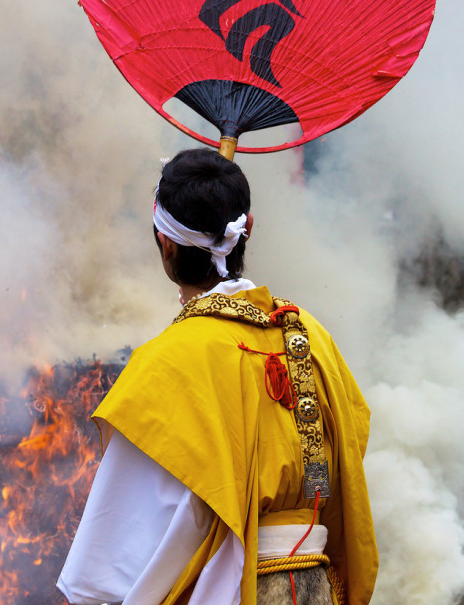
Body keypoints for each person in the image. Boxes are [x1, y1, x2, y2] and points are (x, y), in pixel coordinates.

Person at [57, 148, 378, 605]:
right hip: (317, 588)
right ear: (248, 230)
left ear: (165, 243)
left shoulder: (166, 364)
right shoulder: (309, 334)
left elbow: (113, 562)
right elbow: (349, 444)